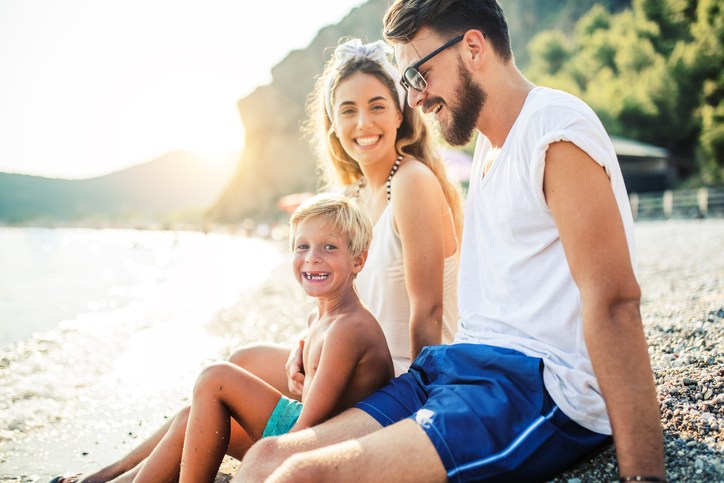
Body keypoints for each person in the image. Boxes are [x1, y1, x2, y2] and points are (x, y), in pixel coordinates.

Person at [236, 1, 667, 482]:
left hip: (534, 387)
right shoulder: (489, 145)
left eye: (419, 76)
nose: (415, 99)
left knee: (302, 477)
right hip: (455, 367)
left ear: (473, 48)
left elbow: (615, 303)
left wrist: (643, 476)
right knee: (266, 459)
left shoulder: (555, 130)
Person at [50, 36, 463, 483]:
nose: (363, 121)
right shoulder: (353, 196)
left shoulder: (412, 183)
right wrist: (304, 349)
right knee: (241, 361)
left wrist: (423, 414)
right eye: (348, 109)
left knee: (217, 399)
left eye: (377, 105)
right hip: (349, 352)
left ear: (401, 113)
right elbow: (338, 297)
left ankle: (116, 479)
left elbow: (429, 312)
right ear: (332, 122)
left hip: (396, 375)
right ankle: (117, 474)